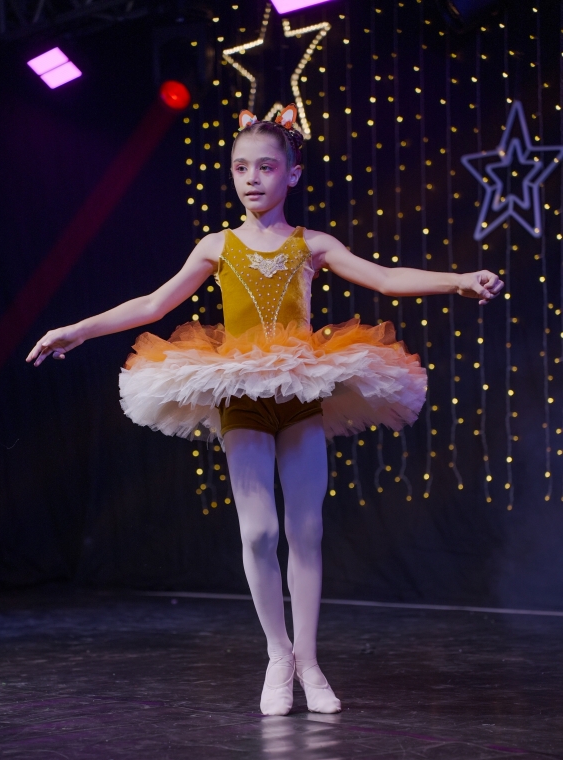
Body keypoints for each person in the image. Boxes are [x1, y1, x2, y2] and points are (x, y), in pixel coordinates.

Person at [27, 104, 503, 717]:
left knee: (307, 530)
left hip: (300, 392)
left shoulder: (312, 244)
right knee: (258, 531)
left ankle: (309, 661)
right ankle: (278, 655)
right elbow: (151, 304)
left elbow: (384, 279)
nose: (252, 178)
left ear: (293, 175)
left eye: (267, 167)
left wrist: (458, 279)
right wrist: (77, 330)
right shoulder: (217, 245)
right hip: (241, 394)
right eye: (241, 167)